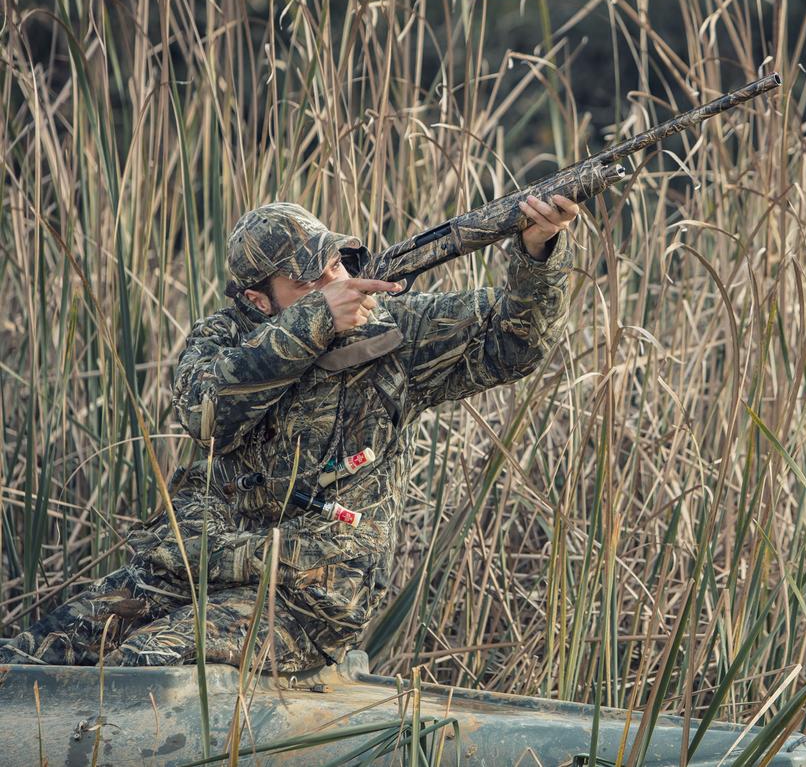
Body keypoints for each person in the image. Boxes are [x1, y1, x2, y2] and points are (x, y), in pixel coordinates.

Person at [0, 195, 578, 671]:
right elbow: (206, 413)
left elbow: (514, 346)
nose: (337, 283)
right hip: (190, 570)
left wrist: (537, 253)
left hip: (304, 600)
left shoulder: (394, 330)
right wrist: (316, 321)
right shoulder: (222, 338)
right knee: (29, 656)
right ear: (258, 299)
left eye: (337, 264)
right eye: (310, 280)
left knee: (146, 665)